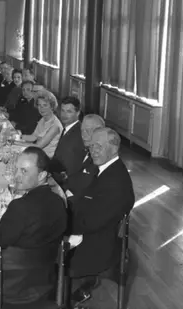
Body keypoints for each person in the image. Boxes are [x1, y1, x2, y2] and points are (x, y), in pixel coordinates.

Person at [0, 147, 67, 305]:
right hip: (43, 283)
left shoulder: (20, 207)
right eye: (17, 169)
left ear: (42, 175)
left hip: (6, 286)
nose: (17, 176)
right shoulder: (59, 203)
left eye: (24, 171)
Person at [67, 128, 135, 306]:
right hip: (94, 233)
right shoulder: (108, 169)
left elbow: (90, 222)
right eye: (91, 146)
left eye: (99, 146)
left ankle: (56, 297)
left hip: (96, 247)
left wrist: (61, 225)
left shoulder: (115, 182)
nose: (93, 151)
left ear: (114, 148)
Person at [64, 114, 104, 196]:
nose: (83, 135)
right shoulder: (83, 149)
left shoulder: (102, 159)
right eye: (82, 130)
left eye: (88, 130)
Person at [50, 96, 84, 185]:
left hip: (65, 182)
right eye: (63, 110)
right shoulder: (68, 128)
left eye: (69, 111)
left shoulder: (79, 133)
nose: (64, 115)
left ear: (78, 113)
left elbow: (72, 166)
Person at [20, 90, 62, 157]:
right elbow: (34, 137)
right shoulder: (43, 119)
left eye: (45, 105)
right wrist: (18, 136)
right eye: (39, 105)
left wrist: (15, 143)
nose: (41, 108)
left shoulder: (55, 126)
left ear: (52, 106)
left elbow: (38, 146)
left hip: (47, 158)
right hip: (38, 154)